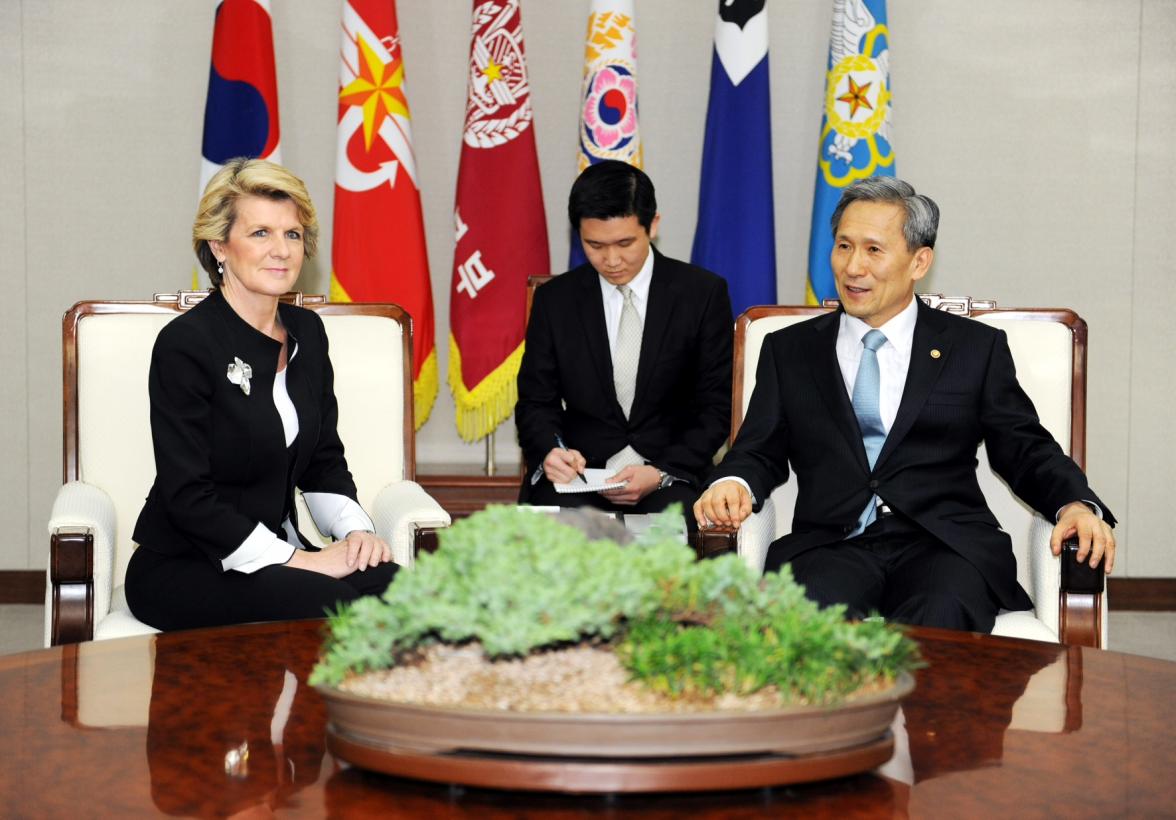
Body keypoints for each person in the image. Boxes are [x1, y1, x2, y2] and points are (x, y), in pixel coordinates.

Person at [694, 177, 1116, 632]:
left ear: (919, 261)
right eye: (843, 246)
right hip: (830, 545)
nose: (853, 267)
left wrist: (1074, 503)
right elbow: (759, 449)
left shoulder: (973, 348)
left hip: (943, 543)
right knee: (800, 626)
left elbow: (1024, 447)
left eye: (874, 250)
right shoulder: (790, 350)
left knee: (941, 618)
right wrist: (733, 481)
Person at [127, 158, 398, 631]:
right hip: (185, 564)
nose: (281, 250)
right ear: (218, 246)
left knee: (411, 593)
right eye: (260, 233)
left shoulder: (308, 333)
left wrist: (356, 534)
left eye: (292, 234)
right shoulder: (186, 344)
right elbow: (188, 496)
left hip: (278, 551)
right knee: (342, 610)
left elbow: (323, 460)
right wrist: (302, 560)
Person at [516, 160, 733, 530]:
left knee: (670, 567)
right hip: (580, 477)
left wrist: (662, 471)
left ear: (654, 225)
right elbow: (537, 402)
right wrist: (552, 451)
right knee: (553, 564)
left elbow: (716, 406)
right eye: (595, 245)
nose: (612, 260)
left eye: (625, 243)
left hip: (670, 476)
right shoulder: (557, 301)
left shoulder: (701, 294)